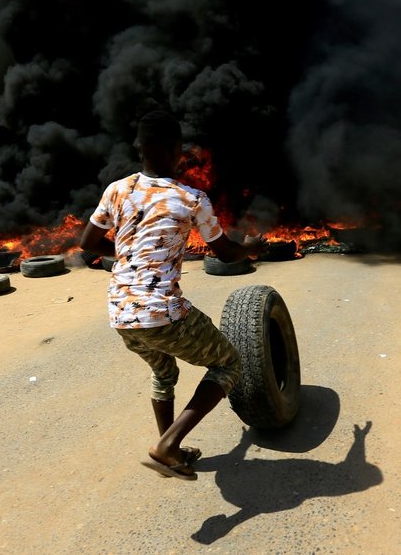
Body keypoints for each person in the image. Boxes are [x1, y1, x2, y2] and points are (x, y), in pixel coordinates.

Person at [80, 110, 266, 481]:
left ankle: (173, 451)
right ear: (175, 149)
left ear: (140, 148)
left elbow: (87, 243)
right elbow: (226, 254)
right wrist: (249, 246)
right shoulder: (191, 197)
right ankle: (167, 446)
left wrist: (129, 255)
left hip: (120, 313)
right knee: (229, 364)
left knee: (164, 372)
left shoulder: (116, 189)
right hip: (161, 313)